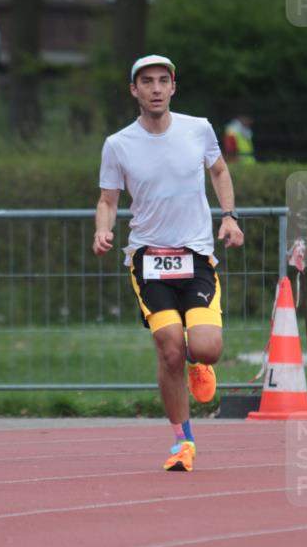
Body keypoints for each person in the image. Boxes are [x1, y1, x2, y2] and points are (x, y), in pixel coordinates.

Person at [93, 54, 244, 472]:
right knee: (169, 348)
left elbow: (219, 170)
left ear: (173, 87)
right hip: (149, 259)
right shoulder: (118, 144)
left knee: (206, 348)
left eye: (163, 80)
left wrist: (229, 216)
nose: (156, 88)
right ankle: (183, 442)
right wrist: (102, 230)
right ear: (134, 90)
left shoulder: (198, 129)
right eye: (147, 81)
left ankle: (200, 364)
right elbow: (108, 200)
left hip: (195, 255)